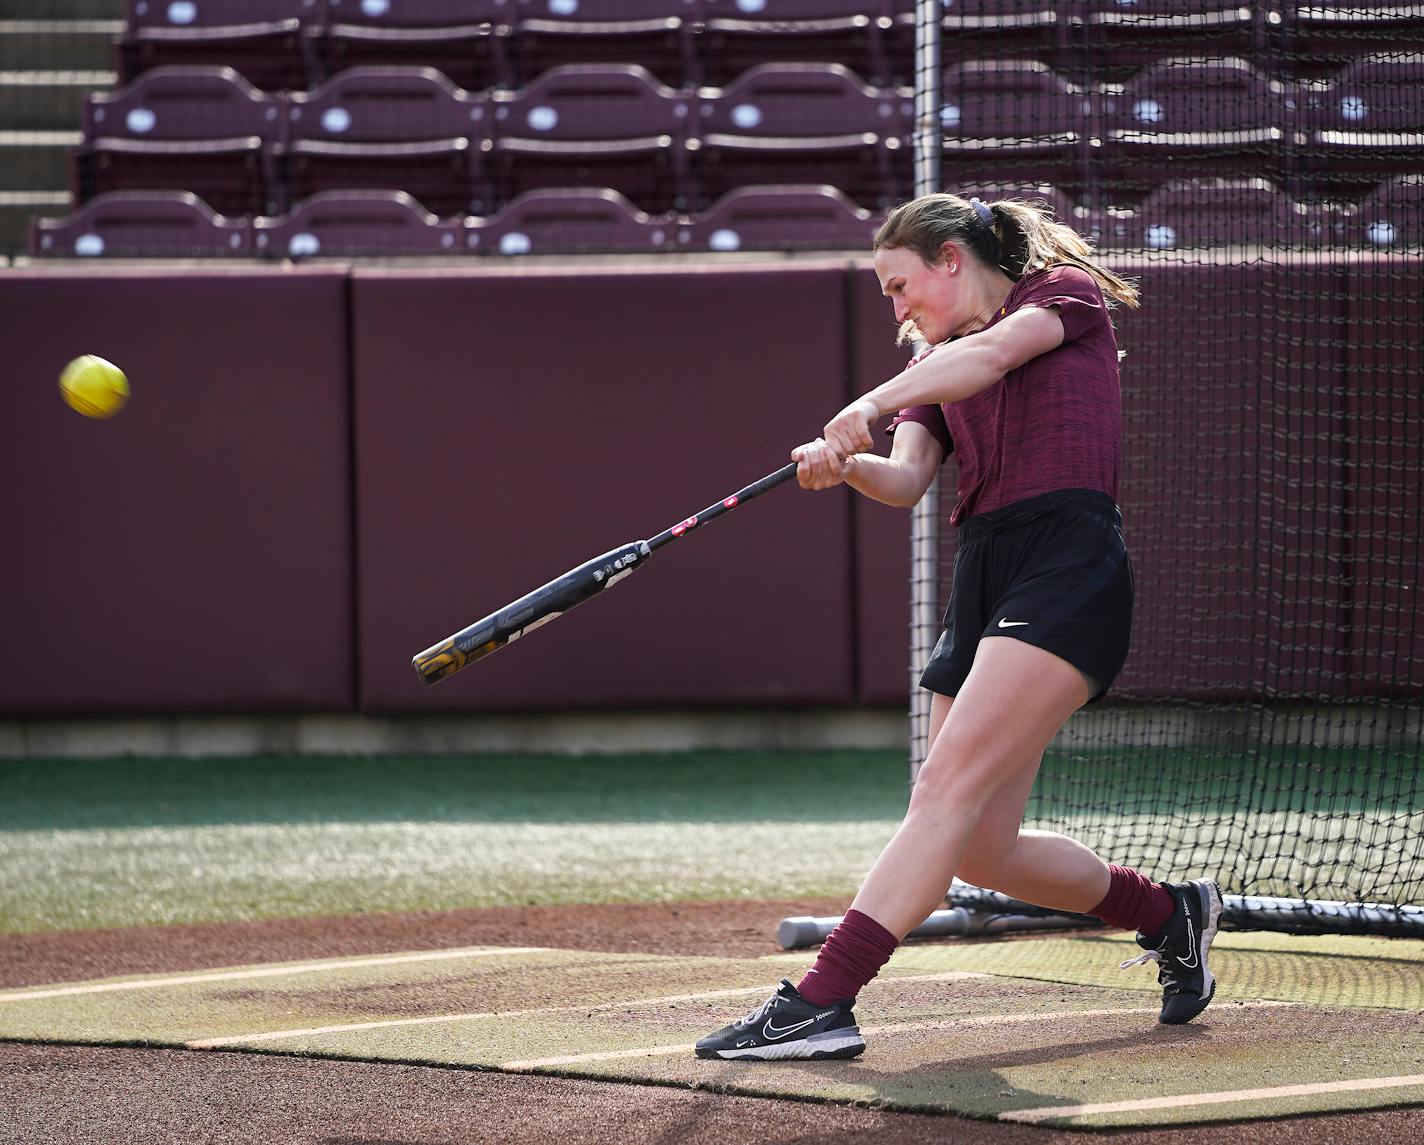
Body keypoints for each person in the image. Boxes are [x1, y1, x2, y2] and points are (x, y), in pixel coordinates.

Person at [695, 192, 1222, 1062]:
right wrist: (843, 463)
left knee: (941, 789)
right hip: (984, 573)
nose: (896, 309)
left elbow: (998, 356)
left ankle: (819, 1001)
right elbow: (905, 482)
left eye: (901, 286)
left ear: (950, 260)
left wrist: (867, 399)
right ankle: (1172, 913)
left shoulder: (1058, 296)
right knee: (980, 846)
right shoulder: (936, 362)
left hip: (1068, 563)